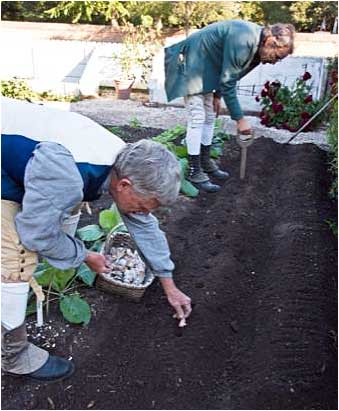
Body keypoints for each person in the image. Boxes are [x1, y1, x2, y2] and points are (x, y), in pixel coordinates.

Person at [1, 97, 192, 382]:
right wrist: (83, 255)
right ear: (125, 185)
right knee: (16, 257)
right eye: (143, 205)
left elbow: (145, 226)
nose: (143, 213)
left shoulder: (118, 160)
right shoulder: (67, 176)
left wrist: (168, 283)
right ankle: (13, 355)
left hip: (18, 153)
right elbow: (35, 233)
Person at [165, 20, 295, 192]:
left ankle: (205, 161)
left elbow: (235, 75)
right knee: (197, 117)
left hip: (208, 67)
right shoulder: (244, 40)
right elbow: (228, 82)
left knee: (210, 115)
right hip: (193, 63)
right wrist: (240, 119)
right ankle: (194, 170)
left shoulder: (258, 50)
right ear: (271, 42)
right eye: (278, 57)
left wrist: (217, 95)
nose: (274, 62)